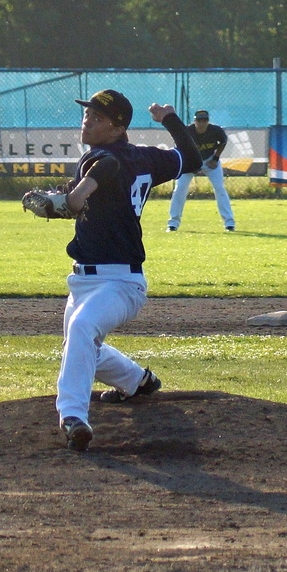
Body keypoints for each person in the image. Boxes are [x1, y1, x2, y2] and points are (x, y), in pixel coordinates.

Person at [50, 89, 202, 452]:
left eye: (98, 118)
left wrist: (75, 196)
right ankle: (138, 381)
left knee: (82, 329)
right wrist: (169, 119)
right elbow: (192, 158)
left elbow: (108, 167)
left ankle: (72, 416)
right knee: (80, 346)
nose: (88, 121)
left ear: (119, 128)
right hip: (85, 280)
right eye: (87, 114)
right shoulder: (145, 158)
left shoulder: (102, 158)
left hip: (119, 281)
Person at [166, 109, 235, 232]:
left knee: (219, 188)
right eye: (199, 120)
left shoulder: (215, 130)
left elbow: (223, 142)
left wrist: (215, 158)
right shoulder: (187, 131)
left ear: (208, 121)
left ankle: (229, 223)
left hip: (209, 161)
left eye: (205, 120)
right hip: (189, 161)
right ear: (195, 121)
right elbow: (179, 147)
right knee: (180, 188)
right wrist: (191, 164)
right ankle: (173, 224)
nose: (202, 123)